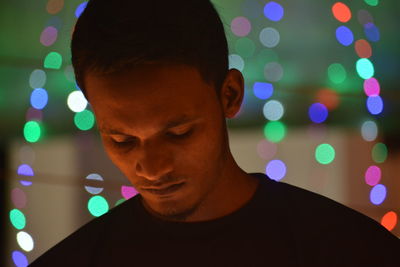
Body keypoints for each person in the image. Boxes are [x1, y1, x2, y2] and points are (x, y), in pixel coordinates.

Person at [30, 0, 399, 266]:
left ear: (229, 95)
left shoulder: (350, 250)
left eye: (178, 133)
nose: (152, 168)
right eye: (122, 140)